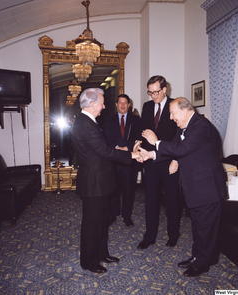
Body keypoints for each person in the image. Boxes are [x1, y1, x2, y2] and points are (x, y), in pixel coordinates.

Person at [139, 97, 227, 277]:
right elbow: (174, 148)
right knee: (199, 226)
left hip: (207, 188)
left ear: (185, 110)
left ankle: (202, 263)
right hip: (197, 187)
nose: (171, 118)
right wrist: (150, 155)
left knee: (205, 228)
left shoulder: (200, 126)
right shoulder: (186, 127)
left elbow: (180, 150)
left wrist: (156, 141)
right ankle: (199, 257)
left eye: (172, 113)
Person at [70, 88, 141, 274]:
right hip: (94, 183)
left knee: (101, 222)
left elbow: (101, 150)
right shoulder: (86, 124)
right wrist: (132, 155)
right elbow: (105, 151)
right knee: (92, 224)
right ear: (92, 104)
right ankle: (89, 261)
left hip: (98, 181)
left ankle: (101, 254)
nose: (103, 106)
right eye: (101, 102)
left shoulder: (86, 121)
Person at [137, 75, 180, 250]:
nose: (153, 96)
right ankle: (150, 236)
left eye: (156, 92)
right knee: (151, 199)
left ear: (164, 90)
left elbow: (179, 137)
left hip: (169, 161)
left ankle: (173, 235)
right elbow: (144, 132)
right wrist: (138, 149)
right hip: (150, 161)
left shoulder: (175, 106)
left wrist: (176, 160)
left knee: (172, 199)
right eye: (150, 92)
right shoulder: (147, 107)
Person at [103, 94, 141, 227]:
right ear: (116, 104)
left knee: (129, 189)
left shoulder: (136, 120)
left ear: (129, 105)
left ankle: (127, 216)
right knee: (113, 189)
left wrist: (127, 147)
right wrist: (116, 147)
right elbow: (106, 137)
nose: (123, 105)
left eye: (125, 103)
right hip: (114, 159)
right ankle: (113, 214)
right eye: (120, 103)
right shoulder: (109, 120)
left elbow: (138, 137)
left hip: (130, 160)